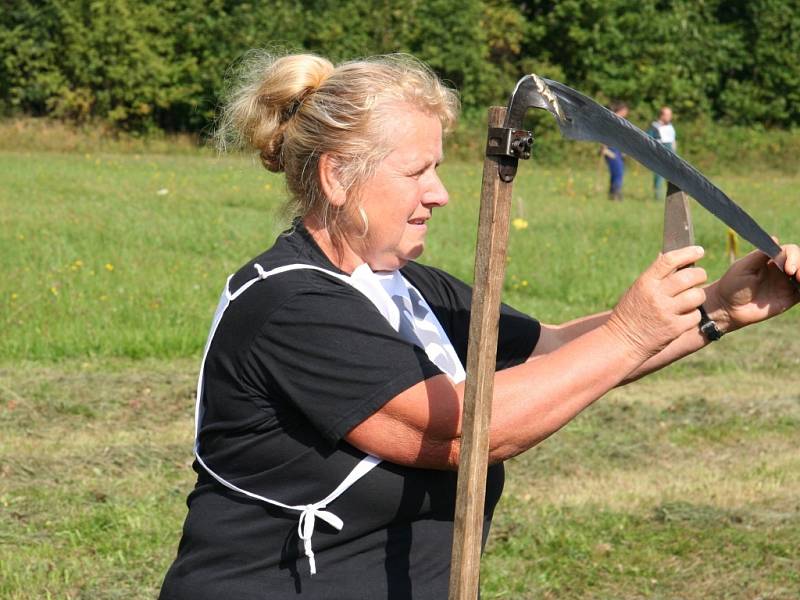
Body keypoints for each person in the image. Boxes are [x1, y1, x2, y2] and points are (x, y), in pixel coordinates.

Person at [159, 53, 800, 600]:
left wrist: (720, 308)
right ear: (335, 176)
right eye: (416, 172)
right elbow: (462, 431)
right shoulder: (288, 307)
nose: (440, 193)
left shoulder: (408, 288)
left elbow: (549, 354)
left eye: (437, 169)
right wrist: (629, 330)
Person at [601, 101, 629, 201]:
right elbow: (604, 135)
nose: (626, 113)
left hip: (618, 149)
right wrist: (604, 148)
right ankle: (616, 193)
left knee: (618, 172)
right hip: (611, 149)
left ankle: (613, 194)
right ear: (621, 110)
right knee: (618, 172)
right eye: (625, 111)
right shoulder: (612, 120)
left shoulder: (620, 121)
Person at [648, 106, 677, 199]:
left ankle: (673, 196)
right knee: (659, 176)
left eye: (670, 114)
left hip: (671, 155)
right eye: (667, 114)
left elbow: (673, 140)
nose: (670, 116)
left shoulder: (670, 126)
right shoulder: (655, 127)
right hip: (659, 155)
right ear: (661, 115)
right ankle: (657, 196)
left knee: (673, 176)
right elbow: (648, 139)